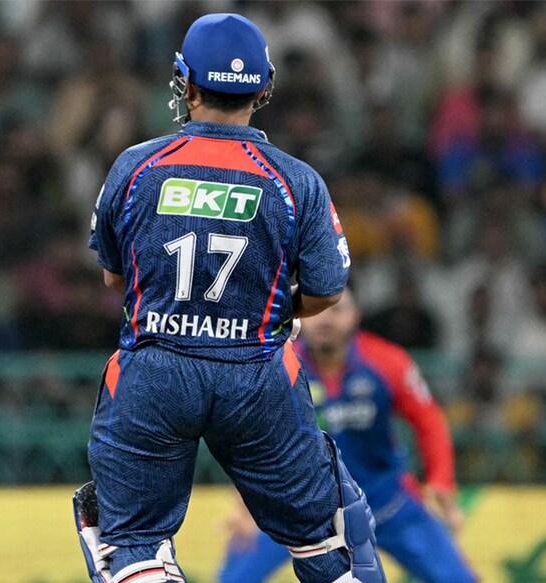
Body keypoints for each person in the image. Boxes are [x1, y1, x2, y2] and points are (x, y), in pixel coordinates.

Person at [77, 14, 384, 583]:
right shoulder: (296, 181)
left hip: (155, 373)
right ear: (264, 88)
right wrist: (265, 314)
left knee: (133, 546)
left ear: (185, 84)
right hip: (257, 374)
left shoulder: (136, 166)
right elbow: (326, 290)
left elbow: (115, 279)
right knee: (335, 538)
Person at [219, 289, 475, 583]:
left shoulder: (388, 361)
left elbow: (429, 420)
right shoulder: (275, 366)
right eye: (314, 311)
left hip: (387, 502)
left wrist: (441, 479)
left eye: (336, 310)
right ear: (298, 318)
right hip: (298, 507)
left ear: (356, 316)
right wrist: (245, 504)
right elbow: (249, 438)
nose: (324, 319)